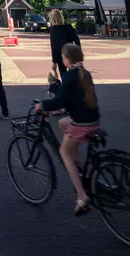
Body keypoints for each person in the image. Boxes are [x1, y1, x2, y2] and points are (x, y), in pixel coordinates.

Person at [35, 43, 100, 217]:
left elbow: (60, 101)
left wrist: (42, 105)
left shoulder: (71, 75)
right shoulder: (84, 73)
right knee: (63, 123)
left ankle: (82, 196)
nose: (62, 60)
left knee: (64, 152)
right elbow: (68, 92)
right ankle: (79, 167)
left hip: (82, 124)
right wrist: (55, 85)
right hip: (93, 120)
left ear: (67, 59)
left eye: (63, 57)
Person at [49, 9, 80, 77]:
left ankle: (67, 86)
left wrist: (54, 62)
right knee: (75, 74)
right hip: (70, 53)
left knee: (64, 75)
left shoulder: (53, 29)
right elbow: (77, 40)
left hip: (61, 56)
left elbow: (54, 47)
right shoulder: (69, 26)